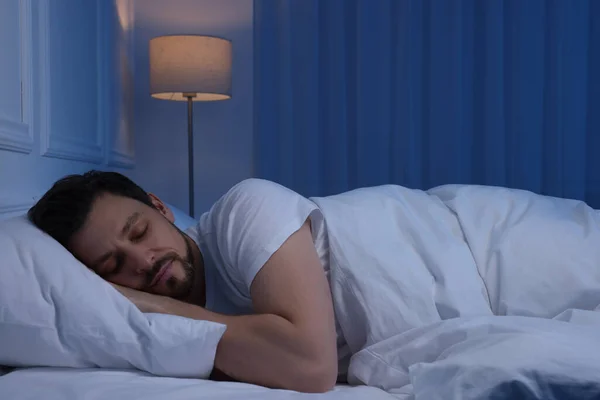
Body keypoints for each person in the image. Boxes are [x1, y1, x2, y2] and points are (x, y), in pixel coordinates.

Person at [27, 170, 343, 393]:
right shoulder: (143, 331)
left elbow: (311, 366)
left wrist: (157, 304)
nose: (144, 261)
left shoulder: (247, 209)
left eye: (140, 232)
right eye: (114, 265)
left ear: (161, 208)